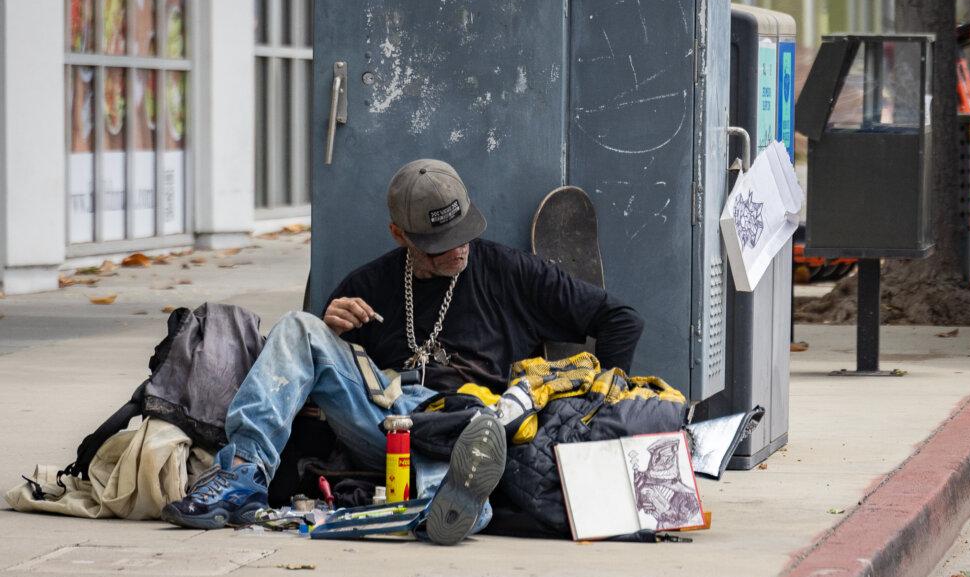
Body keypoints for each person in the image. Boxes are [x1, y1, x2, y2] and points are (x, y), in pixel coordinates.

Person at [162, 159, 644, 544]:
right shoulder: (369, 285)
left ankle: (455, 506)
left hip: (471, 423)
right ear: (400, 235)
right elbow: (307, 389)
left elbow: (621, 319)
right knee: (299, 327)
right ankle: (243, 473)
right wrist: (336, 333)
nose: (458, 252)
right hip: (387, 420)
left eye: (463, 235)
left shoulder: (510, 272)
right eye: (439, 245)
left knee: (462, 454)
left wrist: (602, 406)